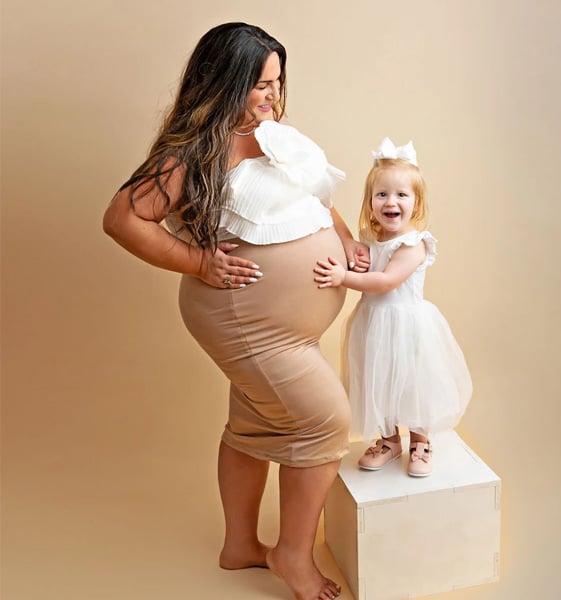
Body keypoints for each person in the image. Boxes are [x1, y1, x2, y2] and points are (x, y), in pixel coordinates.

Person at [103, 22, 369, 600]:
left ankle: (240, 545)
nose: (271, 95)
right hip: (244, 319)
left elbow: (314, 195)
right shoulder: (193, 151)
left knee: (255, 422)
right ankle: (293, 559)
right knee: (324, 421)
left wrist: (344, 238)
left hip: (276, 327)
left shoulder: (274, 132)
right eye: (259, 85)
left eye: (276, 82)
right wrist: (198, 261)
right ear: (224, 83)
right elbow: (123, 218)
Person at [314, 137, 472, 477]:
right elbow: (361, 257)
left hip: (407, 325)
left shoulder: (414, 244)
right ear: (370, 201)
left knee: (411, 383)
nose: (391, 202)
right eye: (382, 194)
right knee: (377, 380)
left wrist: (343, 276)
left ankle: (420, 440)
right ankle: (389, 440)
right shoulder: (371, 238)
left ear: (416, 204)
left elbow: (385, 281)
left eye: (402, 195)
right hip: (372, 323)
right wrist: (349, 250)